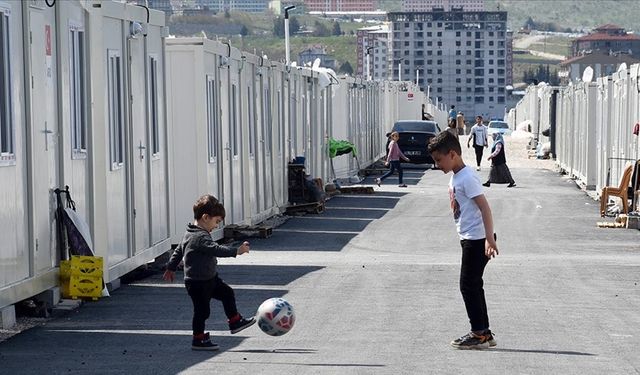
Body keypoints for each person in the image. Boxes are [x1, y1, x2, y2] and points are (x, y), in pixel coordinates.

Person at [427, 130, 499, 350]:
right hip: (470, 238)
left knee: (467, 285)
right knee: (474, 285)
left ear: (452, 154)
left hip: (477, 239)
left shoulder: (467, 177)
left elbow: (485, 208)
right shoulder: (457, 176)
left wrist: (489, 238)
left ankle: (478, 333)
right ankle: (484, 332)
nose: (438, 165)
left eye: (439, 160)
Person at [163, 194, 256, 351]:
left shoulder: (190, 232)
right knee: (202, 311)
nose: (217, 226)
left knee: (227, 293)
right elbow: (215, 249)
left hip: (210, 278)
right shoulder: (199, 237)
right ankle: (198, 339)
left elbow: (179, 250)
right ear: (206, 217)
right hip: (198, 283)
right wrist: (237, 251)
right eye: (217, 221)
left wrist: (170, 267)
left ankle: (235, 321)